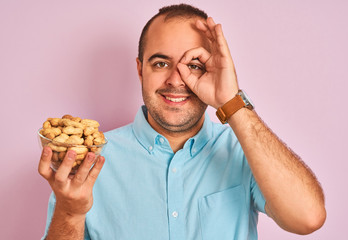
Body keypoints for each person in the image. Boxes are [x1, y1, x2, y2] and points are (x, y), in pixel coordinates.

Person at [39, 4, 326, 240]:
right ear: (140, 70)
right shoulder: (88, 162)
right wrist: (70, 213)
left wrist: (232, 102)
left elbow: (308, 219)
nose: (176, 81)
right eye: (161, 63)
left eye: (194, 66)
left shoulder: (243, 151)